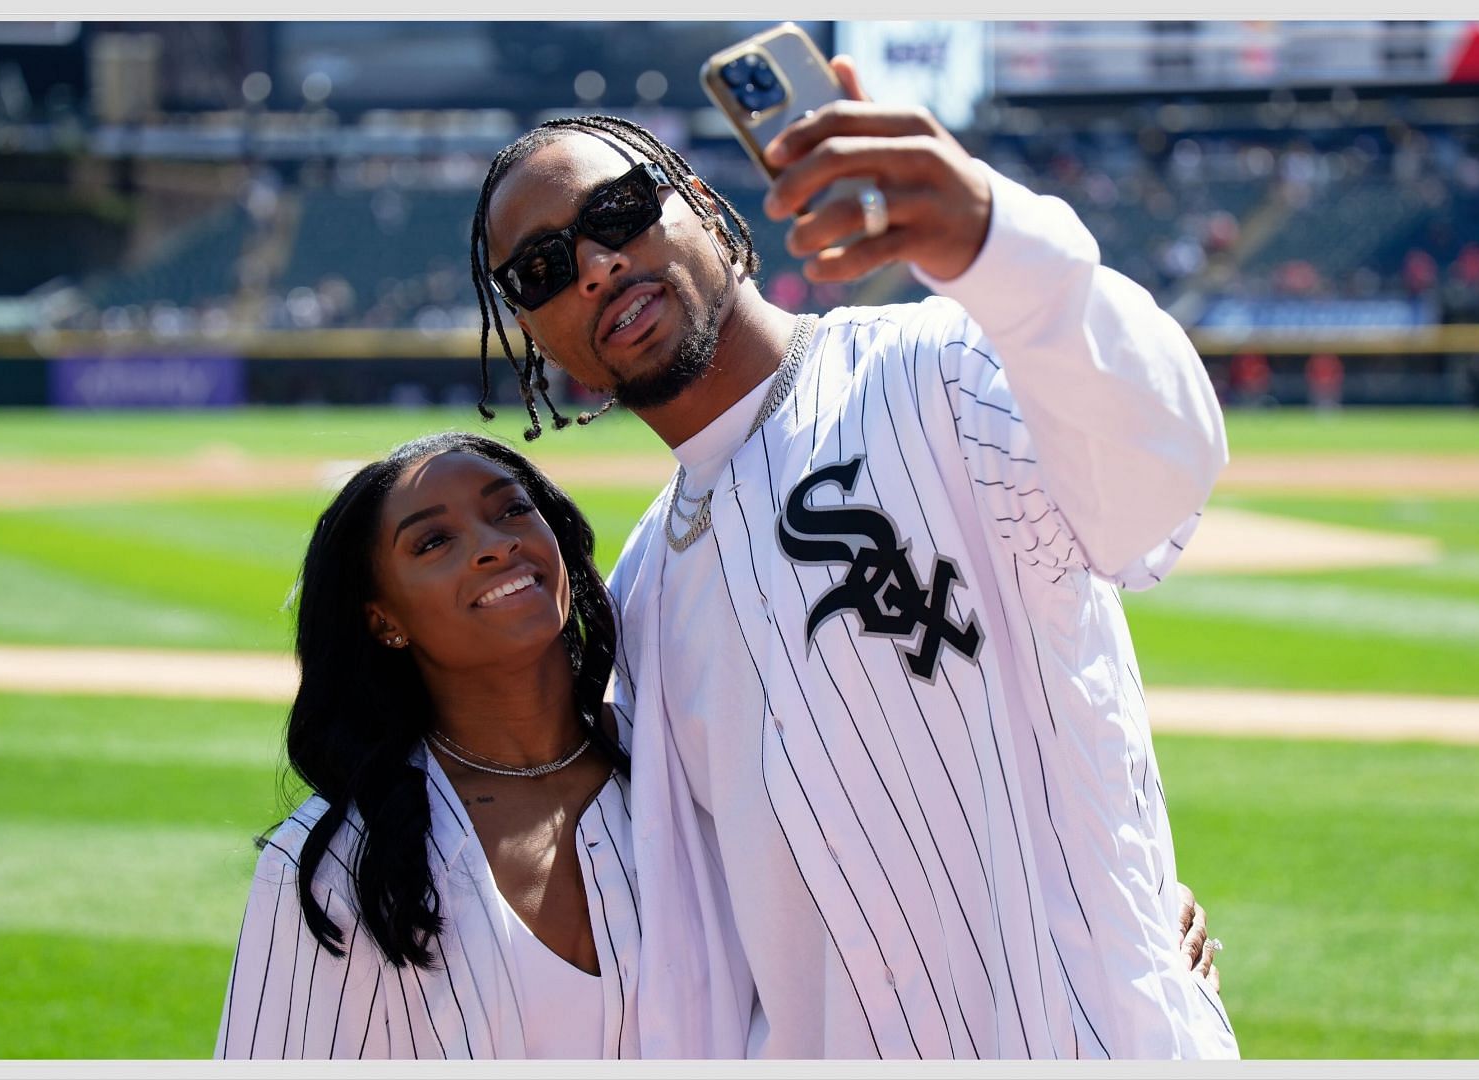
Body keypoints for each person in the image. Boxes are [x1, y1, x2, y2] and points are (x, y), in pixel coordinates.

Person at [466, 56, 1235, 1058]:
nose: (596, 265)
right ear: (533, 330)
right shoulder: (645, 597)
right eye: (542, 269)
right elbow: (699, 960)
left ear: (697, 199)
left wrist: (1003, 246)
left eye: (616, 212)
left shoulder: (941, 370)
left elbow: (1159, 478)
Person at [214, 432, 640, 1058]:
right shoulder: (340, 860)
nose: (496, 545)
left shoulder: (684, 759)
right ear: (384, 619)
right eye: (434, 541)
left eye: (513, 510)